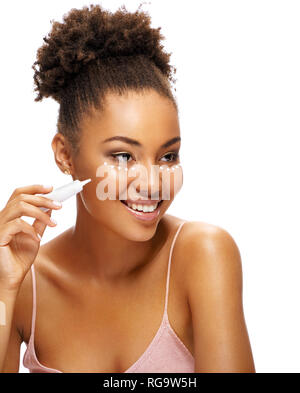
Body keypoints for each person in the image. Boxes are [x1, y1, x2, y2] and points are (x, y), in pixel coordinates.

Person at [0, 3, 255, 373]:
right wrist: (3, 288)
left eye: (168, 156)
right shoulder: (25, 283)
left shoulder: (203, 255)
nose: (153, 183)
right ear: (65, 155)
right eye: (122, 156)